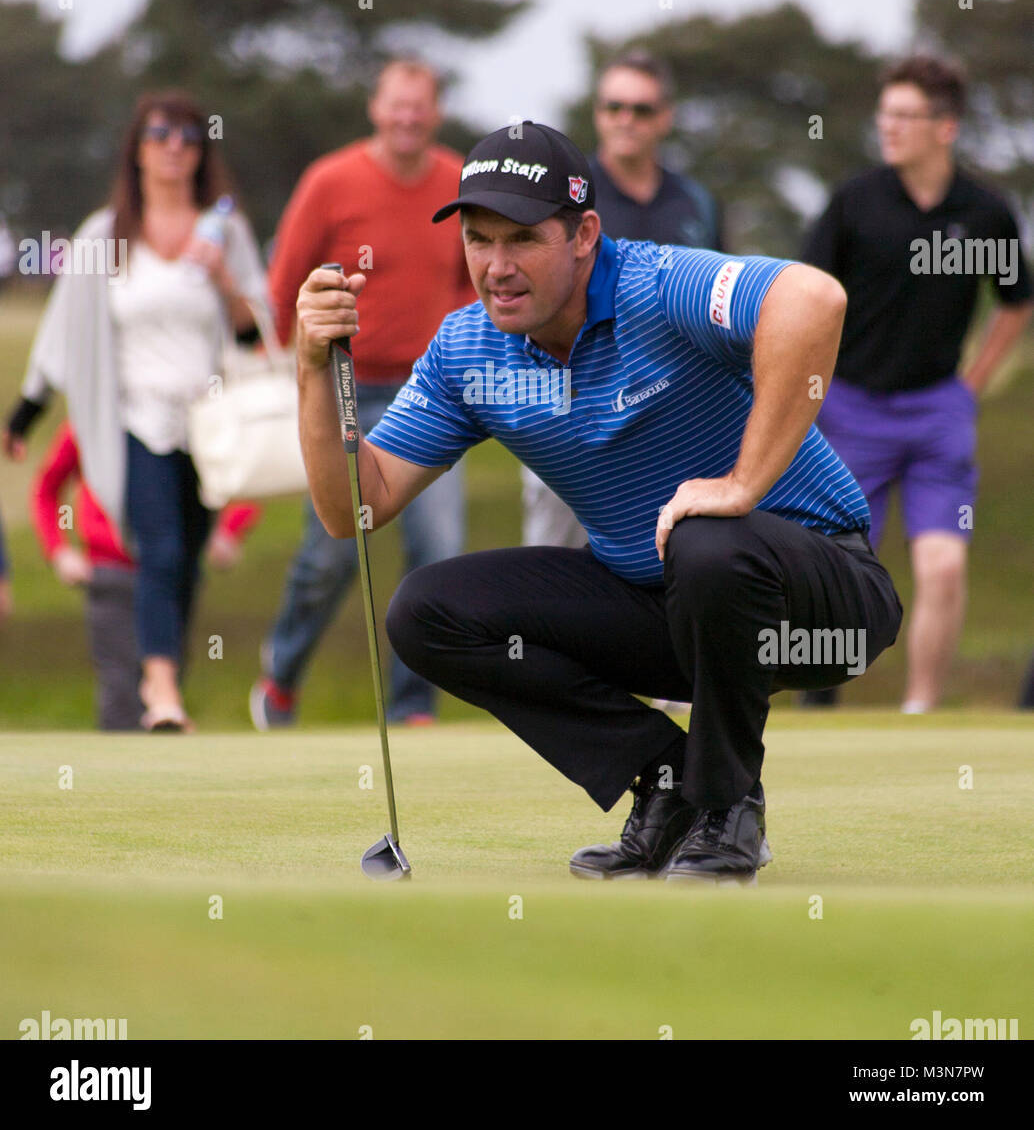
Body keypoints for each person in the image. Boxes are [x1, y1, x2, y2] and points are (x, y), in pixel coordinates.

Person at [293, 121, 903, 885]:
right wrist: (313, 369)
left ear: (584, 234)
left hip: (821, 598)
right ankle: (672, 781)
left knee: (707, 541)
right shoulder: (467, 351)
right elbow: (354, 508)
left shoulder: (656, 284)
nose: (497, 267)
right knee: (426, 611)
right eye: (479, 240)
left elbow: (815, 298)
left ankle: (728, 806)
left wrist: (742, 483)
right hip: (670, 606)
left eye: (522, 239)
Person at [4, 90, 269, 732]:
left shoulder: (225, 231)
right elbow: (65, 329)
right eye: (160, 134)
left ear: (201, 152)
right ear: (138, 150)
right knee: (161, 548)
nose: (174, 146)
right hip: (135, 419)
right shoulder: (105, 235)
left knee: (188, 558)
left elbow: (255, 337)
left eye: (186, 136)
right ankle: (161, 689)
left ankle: (163, 690)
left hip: (207, 426)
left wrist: (224, 284)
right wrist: (26, 413)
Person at [800, 55, 1033, 712]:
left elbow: (1016, 301)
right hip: (850, 410)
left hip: (938, 411)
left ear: (946, 127)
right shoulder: (854, 202)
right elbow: (806, 297)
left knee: (944, 566)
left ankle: (920, 712)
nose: (890, 127)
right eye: (886, 114)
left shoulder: (986, 212)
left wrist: (973, 383)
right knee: (838, 571)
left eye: (906, 115)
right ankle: (821, 705)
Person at [251, 59, 472, 730]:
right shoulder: (331, 180)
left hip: (430, 391)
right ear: (376, 109)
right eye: (396, 105)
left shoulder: (457, 180)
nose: (408, 117)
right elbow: (287, 283)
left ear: (434, 113)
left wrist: (460, 344)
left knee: (439, 548)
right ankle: (280, 680)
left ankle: (413, 706)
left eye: (421, 106)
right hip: (346, 387)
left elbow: (478, 278)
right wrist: (306, 376)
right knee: (331, 555)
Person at [522, 50, 724, 556]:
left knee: (664, 562)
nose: (626, 120)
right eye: (614, 107)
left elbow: (714, 305)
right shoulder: (562, 196)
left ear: (666, 117)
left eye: (641, 109)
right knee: (554, 569)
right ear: (597, 113)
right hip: (567, 406)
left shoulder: (697, 202)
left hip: (670, 411)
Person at [30, 421, 261, 730]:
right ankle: (120, 771)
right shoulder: (92, 418)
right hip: (112, 573)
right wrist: (58, 551)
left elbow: (244, 473)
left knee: (167, 682)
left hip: (175, 573)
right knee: (121, 691)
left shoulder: (182, 419)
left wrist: (229, 531)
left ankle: (161, 757)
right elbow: (48, 486)